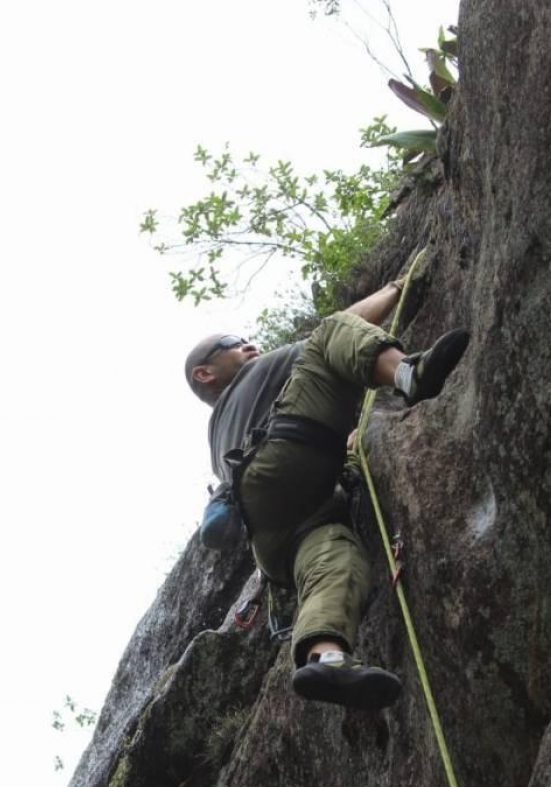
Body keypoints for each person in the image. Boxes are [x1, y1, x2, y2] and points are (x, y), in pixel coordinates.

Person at [185, 277, 469, 708]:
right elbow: (343, 327)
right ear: (205, 373)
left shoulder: (217, 437)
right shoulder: (254, 378)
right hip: (286, 457)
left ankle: (327, 658)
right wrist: (394, 289)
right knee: (329, 334)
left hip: (277, 532)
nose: (248, 345)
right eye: (232, 342)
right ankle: (409, 373)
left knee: (337, 559)